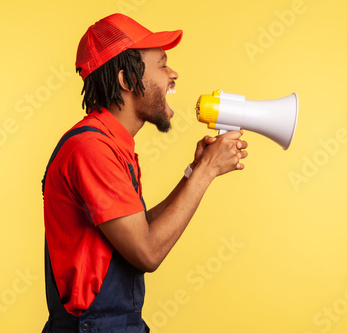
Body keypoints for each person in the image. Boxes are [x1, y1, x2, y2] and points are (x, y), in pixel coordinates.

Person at [41, 13, 248, 333]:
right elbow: (147, 252)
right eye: (162, 64)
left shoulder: (110, 144)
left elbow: (139, 230)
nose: (173, 73)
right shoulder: (92, 150)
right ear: (126, 80)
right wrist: (207, 171)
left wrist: (194, 171)